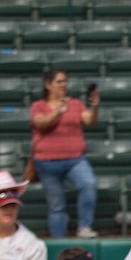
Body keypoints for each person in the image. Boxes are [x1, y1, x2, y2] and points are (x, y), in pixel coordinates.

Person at [29, 69, 100, 238]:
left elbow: (90, 120)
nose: (63, 85)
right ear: (47, 84)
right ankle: (58, 240)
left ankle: (84, 227)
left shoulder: (75, 104)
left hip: (75, 159)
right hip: (46, 162)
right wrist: (57, 113)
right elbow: (40, 123)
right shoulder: (38, 106)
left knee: (88, 184)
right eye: (59, 82)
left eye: (64, 81)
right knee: (56, 206)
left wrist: (95, 106)